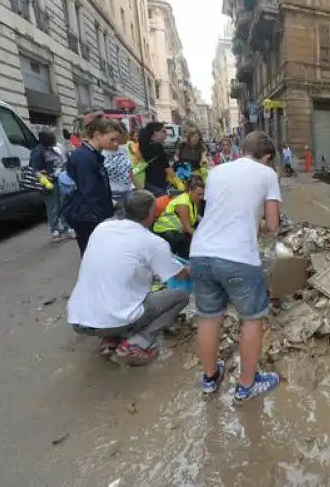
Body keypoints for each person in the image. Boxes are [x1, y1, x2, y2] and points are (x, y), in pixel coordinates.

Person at [190, 131, 281, 402]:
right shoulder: (267, 175)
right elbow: (273, 225)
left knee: (209, 317)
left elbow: (216, 210)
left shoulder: (216, 171)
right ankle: (247, 384)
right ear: (266, 157)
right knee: (252, 319)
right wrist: (258, 223)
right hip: (239, 256)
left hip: (201, 252)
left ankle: (209, 378)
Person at [67, 190, 191, 365]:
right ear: (150, 212)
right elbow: (180, 274)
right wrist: (197, 268)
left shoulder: (102, 228)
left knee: (121, 291)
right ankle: (135, 343)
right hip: (115, 319)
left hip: (79, 319)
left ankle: (110, 340)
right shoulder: (153, 242)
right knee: (180, 297)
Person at [63, 117, 120, 255]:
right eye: (112, 139)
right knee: (93, 256)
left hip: (91, 215)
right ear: (97, 135)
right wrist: (105, 219)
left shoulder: (92, 155)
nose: (116, 143)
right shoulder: (84, 157)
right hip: (88, 217)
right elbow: (90, 192)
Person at [29, 129, 73, 241]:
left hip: (61, 179)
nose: (54, 140)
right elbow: (34, 170)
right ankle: (55, 230)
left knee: (64, 204)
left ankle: (67, 228)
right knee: (53, 207)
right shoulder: (38, 152)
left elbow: (65, 159)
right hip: (49, 183)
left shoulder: (57, 147)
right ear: (45, 141)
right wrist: (45, 181)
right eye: (51, 138)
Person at [153, 176, 205, 259]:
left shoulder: (192, 199)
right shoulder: (183, 204)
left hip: (176, 230)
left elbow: (197, 217)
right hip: (165, 230)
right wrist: (204, 239)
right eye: (199, 194)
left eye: (202, 194)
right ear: (190, 191)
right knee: (188, 249)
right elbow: (188, 228)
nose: (201, 197)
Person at [103, 130, 137, 207]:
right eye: (112, 139)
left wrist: (140, 190)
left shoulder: (123, 149)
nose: (116, 143)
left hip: (128, 192)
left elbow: (129, 172)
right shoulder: (100, 154)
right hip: (112, 195)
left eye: (118, 139)